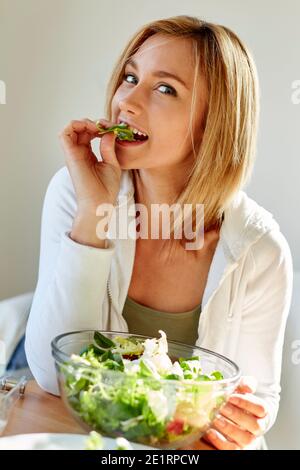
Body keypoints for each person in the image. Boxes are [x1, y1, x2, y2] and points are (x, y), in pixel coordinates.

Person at [24, 16, 293, 450]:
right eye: (129, 77)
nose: (126, 101)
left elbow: (255, 401)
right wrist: (95, 213)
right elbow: (53, 376)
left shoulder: (260, 251)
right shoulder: (75, 194)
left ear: (213, 123)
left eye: (164, 88)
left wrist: (246, 418)